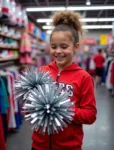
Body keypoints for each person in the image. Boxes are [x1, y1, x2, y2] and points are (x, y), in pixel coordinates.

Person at [32, 11, 97, 150]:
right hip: (39, 145)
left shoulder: (84, 78)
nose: (58, 51)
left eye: (64, 46)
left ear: (76, 47)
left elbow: (90, 115)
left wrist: (63, 109)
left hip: (69, 146)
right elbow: (29, 108)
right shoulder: (41, 71)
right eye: (54, 46)